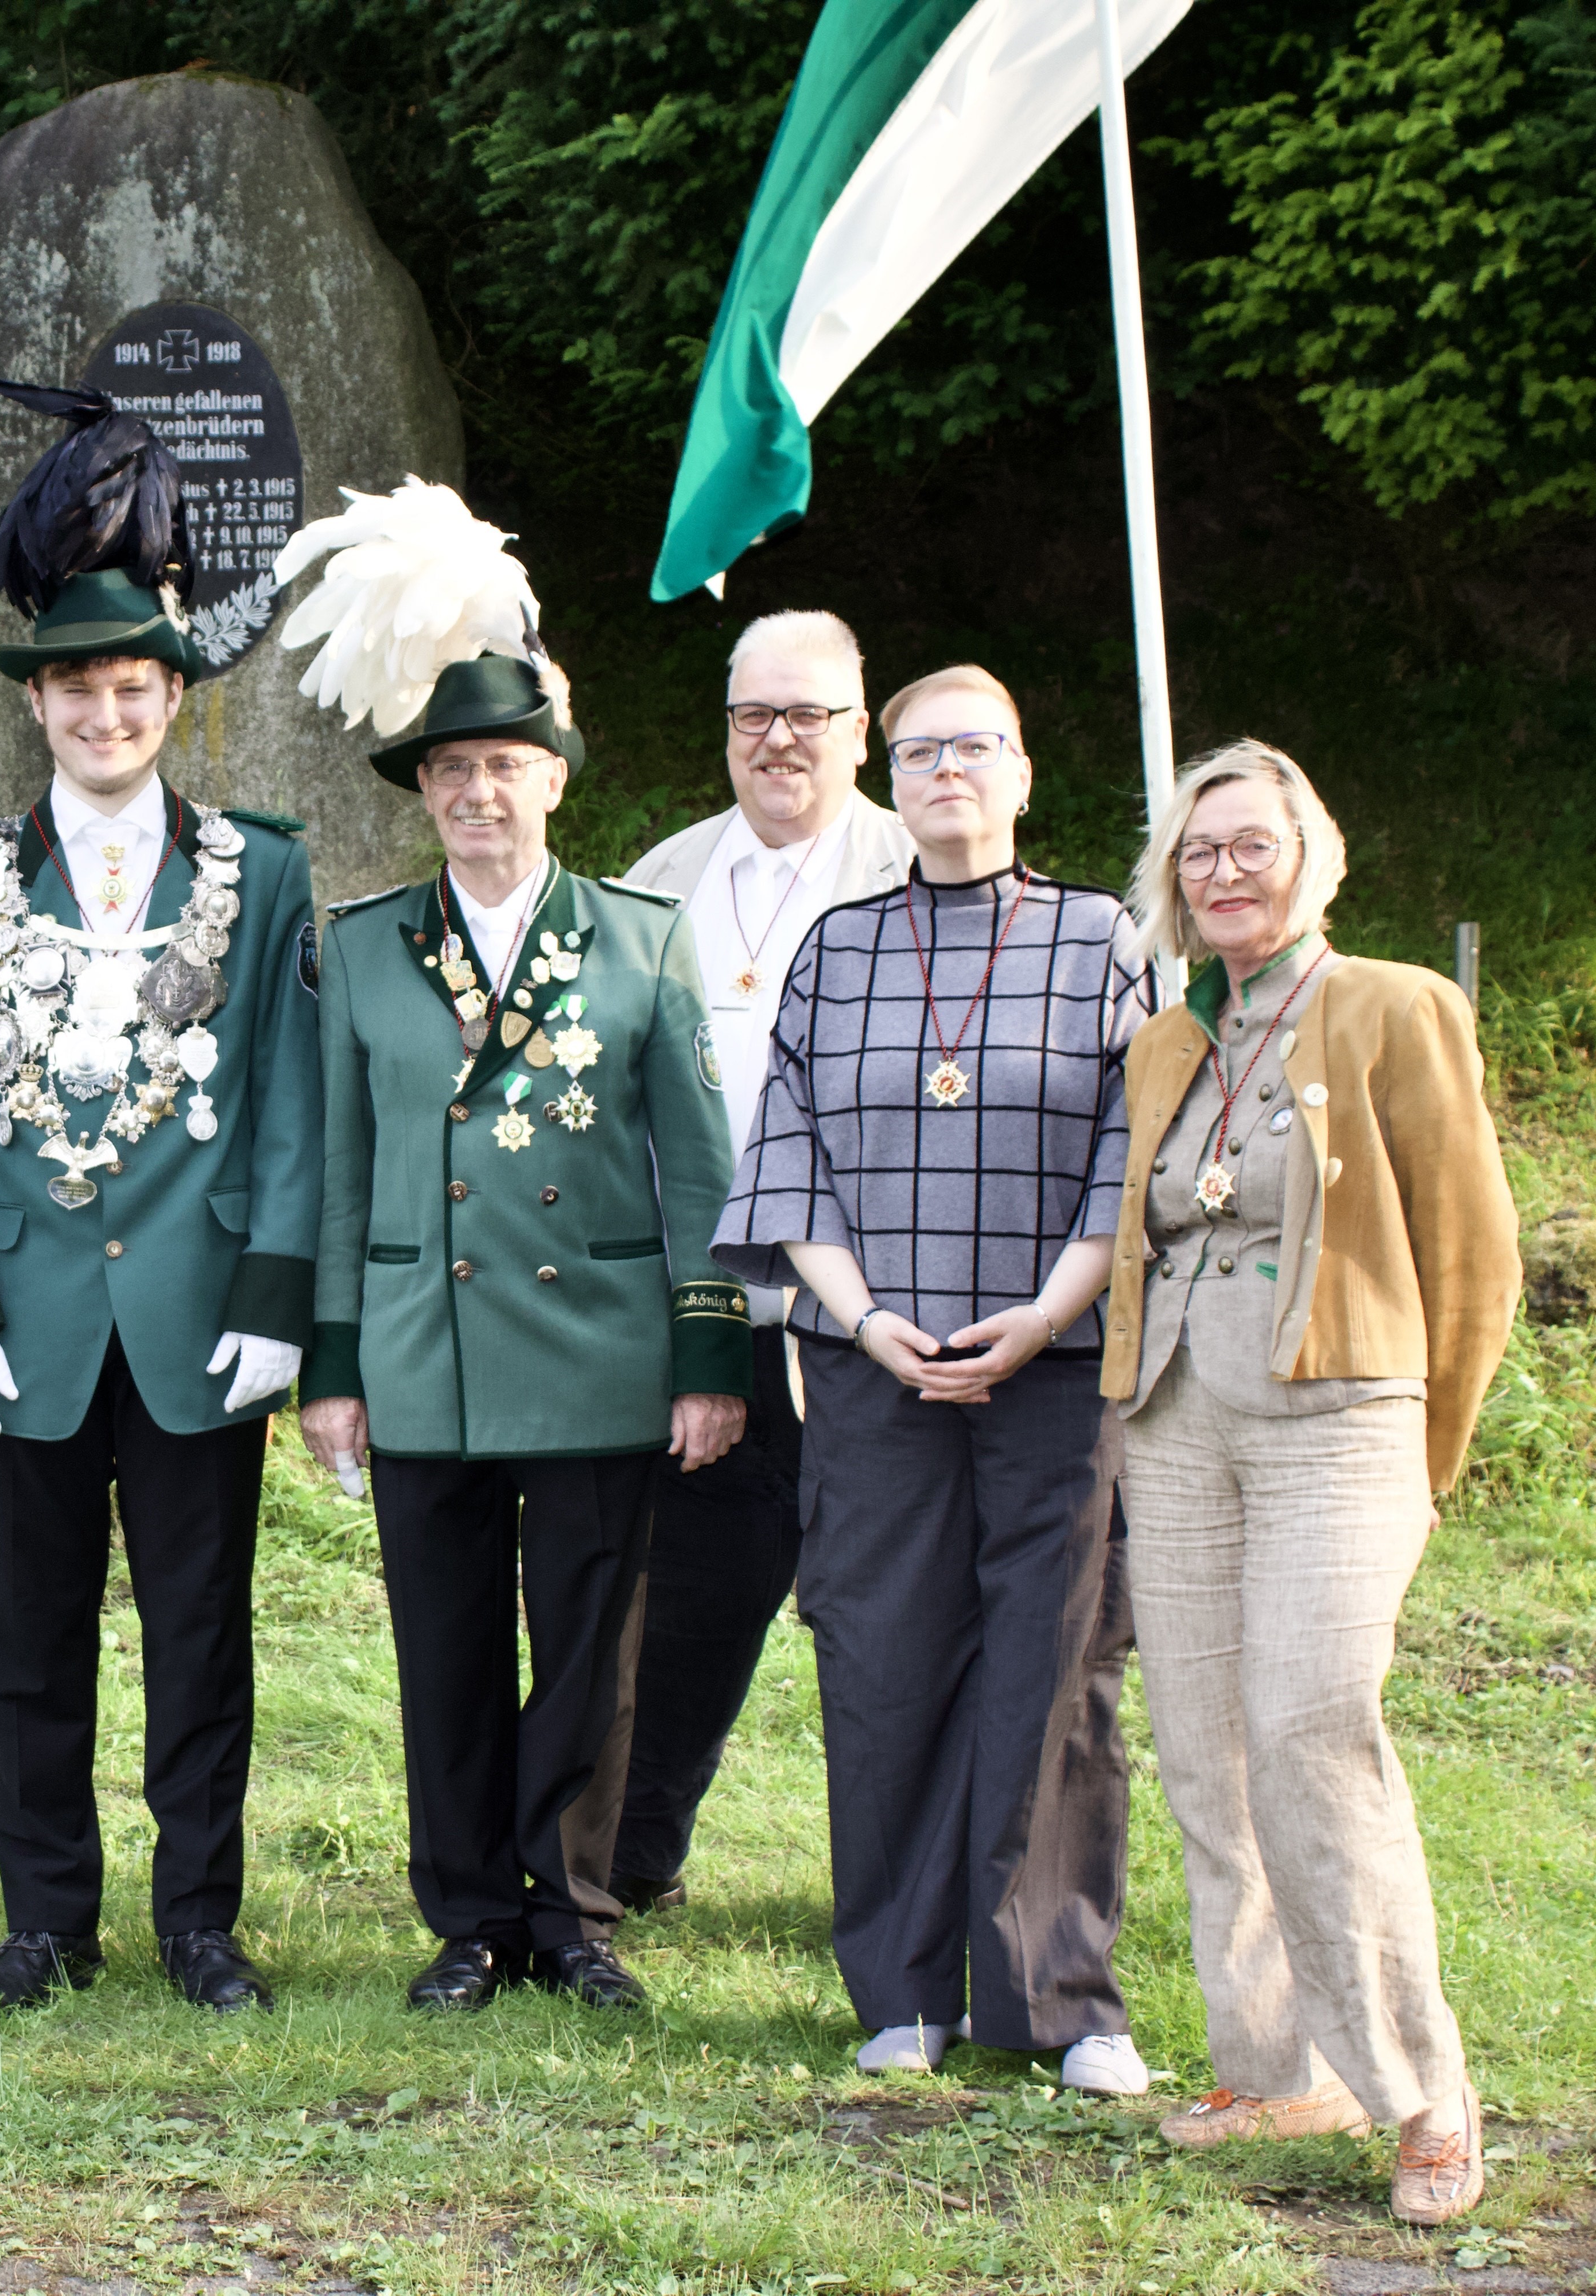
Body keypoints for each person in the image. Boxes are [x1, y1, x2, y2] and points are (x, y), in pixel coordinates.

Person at [275, 480, 751, 2012]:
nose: (480, 793)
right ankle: (470, 1917)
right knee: (448, 1647)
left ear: (555, 780)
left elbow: (702, 1163)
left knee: (593, 1651)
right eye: (453, 770)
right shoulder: (358, 946)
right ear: (423, 790)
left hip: (603, 1351)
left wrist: (708, 1354)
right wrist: (332, 1367)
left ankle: (574, 1906)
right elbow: (339, 1172)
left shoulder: (642, 939)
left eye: (506, 766)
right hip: (427, 1354)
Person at [0, 370, 320, 2014]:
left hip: (203, 1318)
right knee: (33, 1647)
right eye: (78, 689)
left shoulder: (261, 873)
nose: (106, 714)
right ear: (40, 702)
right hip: (35, 1319)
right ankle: (45, 1921)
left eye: (134, 686)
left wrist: (279, 1300)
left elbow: (288, 1100)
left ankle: (200, 1922)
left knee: (205, 1642)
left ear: (173, 696)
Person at [709, 662, 1152, 2091]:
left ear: (1023, 773)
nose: (945, 768)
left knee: (1055, 1672)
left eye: (975, 746)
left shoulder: (1104, 942)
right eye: (916, 751)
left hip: (1055, 1366)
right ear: (887, 782)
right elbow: (789, 1163)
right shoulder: (836, 949)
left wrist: (1040, 1314)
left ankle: (1059, 1995)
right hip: (872, 1369)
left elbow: (1126, 1163)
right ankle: (902, 1988)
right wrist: (867, 1317)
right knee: (885, 1664)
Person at [1101, 740, 1516, 2224]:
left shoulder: (1398, 1007)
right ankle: (1272, 2062)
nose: (1222, 871)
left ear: (1311, 858)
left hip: (1345, 1417)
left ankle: (1422, 2094)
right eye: (1198, 852)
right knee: (1209, 1748)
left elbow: (1474, 1258)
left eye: (1250, 845)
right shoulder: (1167, 1039)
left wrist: (1426, 1455)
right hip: (1179, 1423)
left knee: (1313, 1727)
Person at [572, 608, 921, 1921]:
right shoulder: (661, 875)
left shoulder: (915, 868)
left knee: (883, 1618)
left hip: (868, 1319)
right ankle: (627, 1860)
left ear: (859, 726)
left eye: (808, 714)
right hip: (702, 1309)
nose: (779, 740)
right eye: (753, 715)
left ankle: (897, 1897)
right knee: (682, 1613)